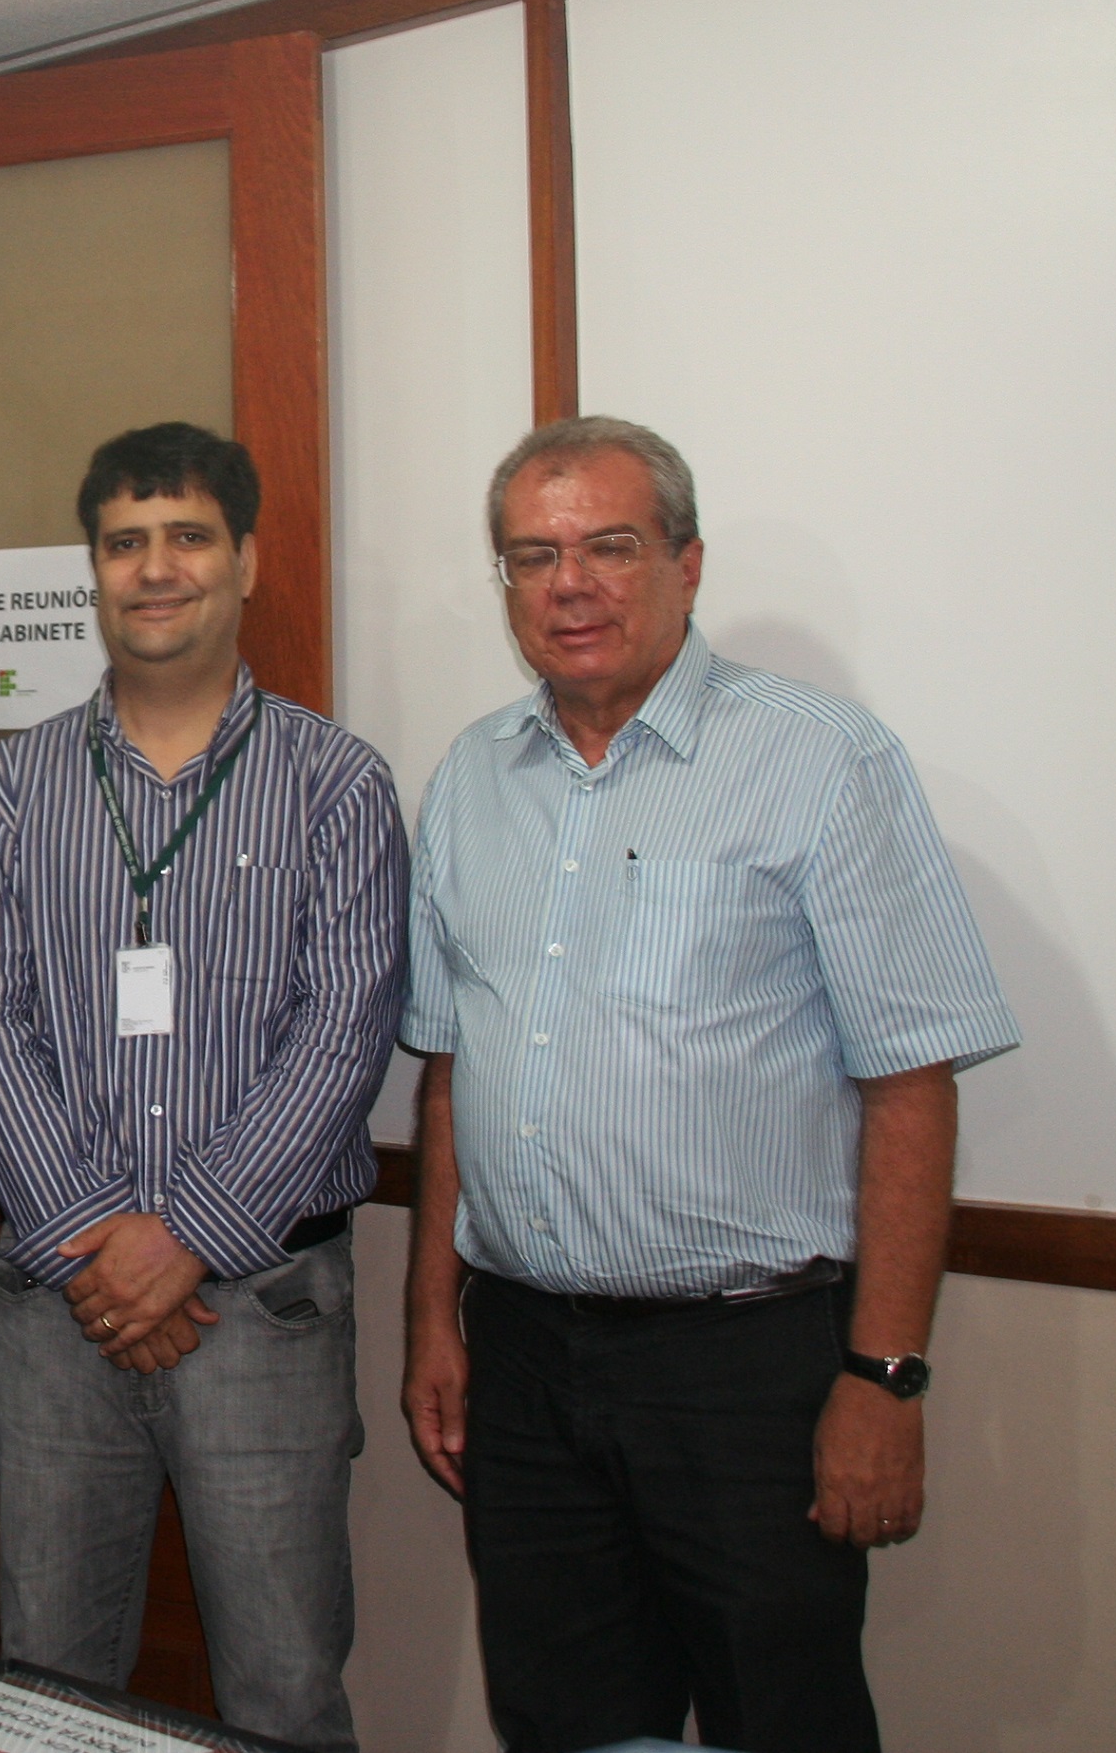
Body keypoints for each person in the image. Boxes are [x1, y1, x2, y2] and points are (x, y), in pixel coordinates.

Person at [398, 415, 1019, 1753]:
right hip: (524, 1358)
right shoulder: (469, 781)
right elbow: (452, 1073)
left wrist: (884, 1374)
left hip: (747, 1369)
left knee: (780, 1716)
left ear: (686, 563)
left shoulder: (820, 759)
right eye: (532, 555)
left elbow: (911, 1081)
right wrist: (432, 1320)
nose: (569, 583)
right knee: (561, 1722)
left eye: (609, 546)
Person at [0, 421, 405, 1753]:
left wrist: (186, 1238)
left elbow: (345, 1030)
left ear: (246, 560)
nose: (155, 567)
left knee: (283, 1688)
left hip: (265, 1305)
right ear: (92, 569)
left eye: (188, 536)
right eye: (124, 542)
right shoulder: (14, 785)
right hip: (61, 1308)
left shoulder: (334, 782)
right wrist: (98, 1246)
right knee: (49, 1685)